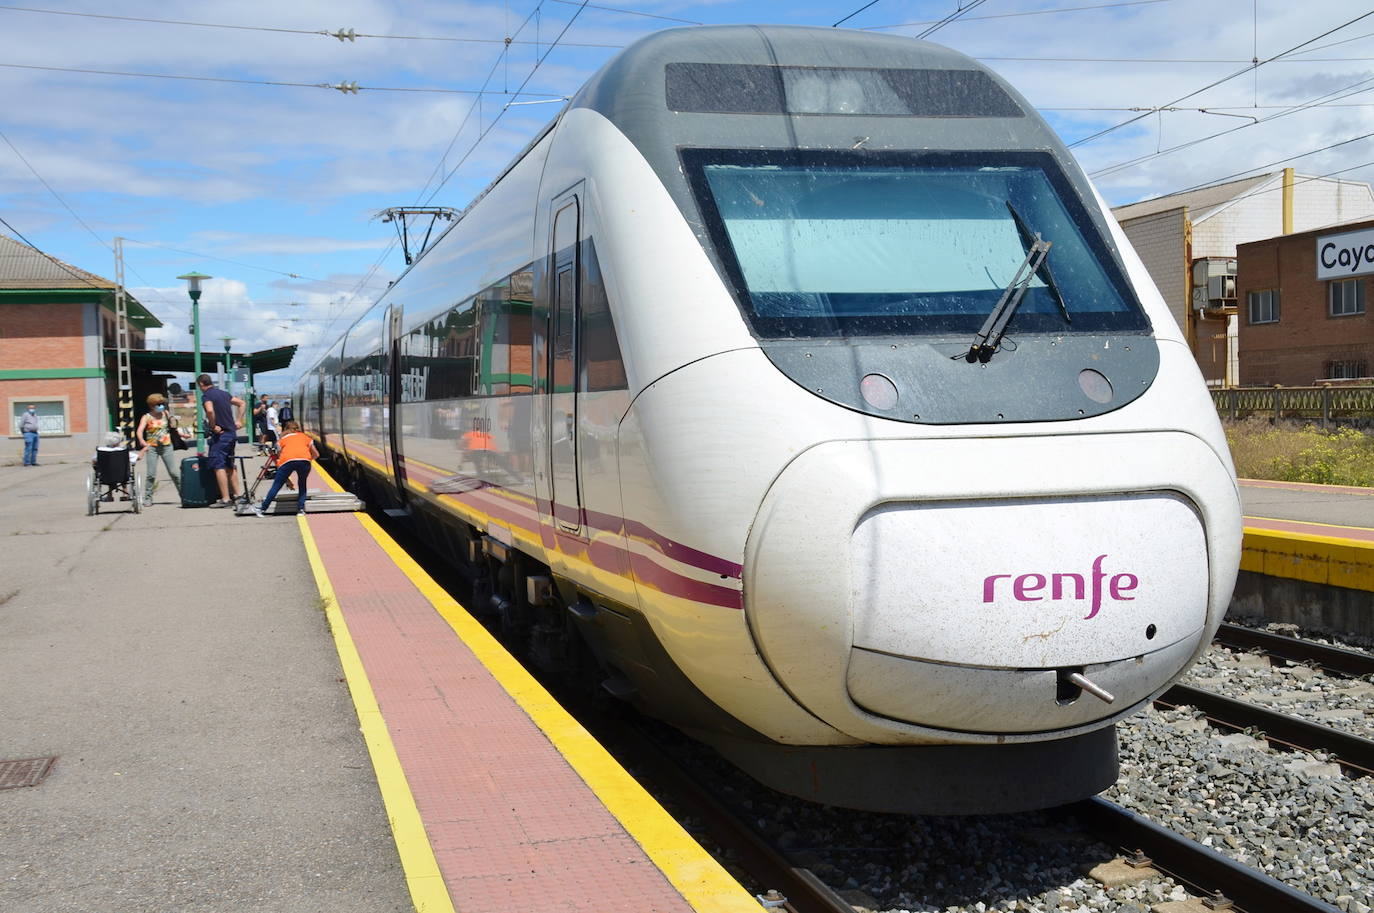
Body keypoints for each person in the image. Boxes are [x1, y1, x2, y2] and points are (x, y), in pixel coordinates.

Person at [198, 373, 245, 508]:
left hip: (221, 435)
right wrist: (238, 420)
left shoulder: (207, 395)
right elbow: (242, 403)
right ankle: (237, 495)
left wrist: (213, 426)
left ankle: (225, 499)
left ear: (201, 384)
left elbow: (210, 411)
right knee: (230, 465)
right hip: (231, 434)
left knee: (219, 466)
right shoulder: (224, 394)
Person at [251, 420, 317, 517]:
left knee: (276, 486)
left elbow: (279, 453)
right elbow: (316, 454)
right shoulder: (306, 437)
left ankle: (262, 509)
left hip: (287, 461)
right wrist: (308, 460)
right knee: (302, 484)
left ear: (286, 429)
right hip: (304, 461)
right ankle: (301, 510)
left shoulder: (282, 439)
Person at [135, 393, 181, 506]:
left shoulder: (165, 413)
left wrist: (172, 419)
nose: (161, 406)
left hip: (166, 446)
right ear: (152, 405)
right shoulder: (146, 417)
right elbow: (140, 430)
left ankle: (184, 494)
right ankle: (148, 498)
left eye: (162, 404)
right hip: (152, 448)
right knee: (151, 474)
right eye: (159, 404)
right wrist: (141, 440)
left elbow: (173, 427)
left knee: (174, 473)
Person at [93, 432, 131, 501]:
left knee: (108, 470)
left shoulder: (101, 451)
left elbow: (94, 461)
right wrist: (144, 450)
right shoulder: (123, 450)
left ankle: (109, 495)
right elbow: (136, 458)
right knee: (123, 469)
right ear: (118, 441)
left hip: (106, 476)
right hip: (122, 475)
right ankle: (125, 492)